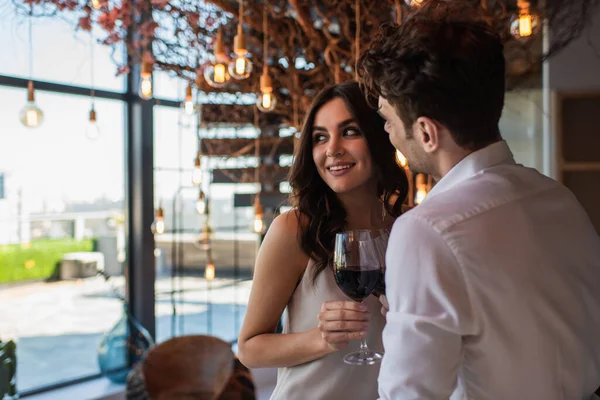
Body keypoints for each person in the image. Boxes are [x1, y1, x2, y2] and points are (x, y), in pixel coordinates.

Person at [357, 1, 600, 399]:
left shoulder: (425, 231)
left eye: (387, 118)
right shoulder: (558, 198)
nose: (386, 131)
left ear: (426, 132)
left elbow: (410, 394)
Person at [237, 81, 408, 399]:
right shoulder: (294, 229)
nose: (332, 149)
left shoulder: (406, 228)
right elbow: (249, 348)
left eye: (350, 131)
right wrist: (322, 338)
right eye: (320, 137)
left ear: (379, 137)